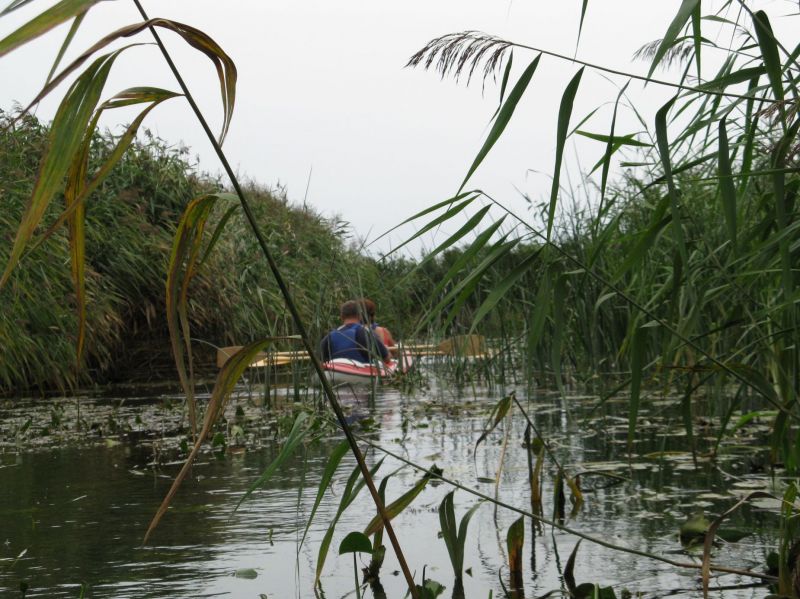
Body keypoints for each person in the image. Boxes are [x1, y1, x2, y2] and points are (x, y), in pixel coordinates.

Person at [320, 300, 390, 363]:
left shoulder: (330, 335)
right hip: (360, 373)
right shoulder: (365, 333)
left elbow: (320, 361)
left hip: (337, 373)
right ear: (360, 316)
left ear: (342, 317)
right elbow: (386, 359)